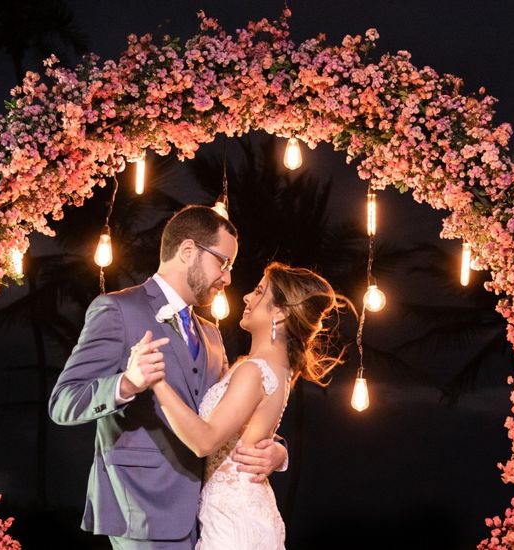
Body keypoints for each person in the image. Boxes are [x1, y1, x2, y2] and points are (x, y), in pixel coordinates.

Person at [48, 205, 287, 549]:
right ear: (188, 251)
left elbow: (232, 414)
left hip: (208, 515)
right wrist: (125, 384)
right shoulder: (117, 309)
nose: (228, 278)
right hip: (141, 507)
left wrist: (278, 452)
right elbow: (63, 403)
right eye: (224, 263)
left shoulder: (212, 334)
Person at [148, 262, 347, 550]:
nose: (246, 297)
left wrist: (156, 383)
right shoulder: (275, 369)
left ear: (280, 312)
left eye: (258, 291)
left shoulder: (254, 371)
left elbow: (205, 441)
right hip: (237, 515)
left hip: (234, 524)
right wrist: (278, 452)